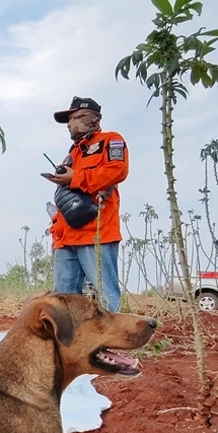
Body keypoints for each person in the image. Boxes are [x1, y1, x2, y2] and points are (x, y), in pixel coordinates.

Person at [44, 96, 130, 312]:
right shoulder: (72, 153)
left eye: (75, 117)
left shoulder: (111, 140)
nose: (70, 124)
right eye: (69, 120)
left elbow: (118, 170)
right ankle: (70, 344)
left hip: (96, 233)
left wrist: (76, 178)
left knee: (107, 293)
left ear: (92, 118)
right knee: (63, 299)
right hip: (67, 237)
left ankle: (113, 342)